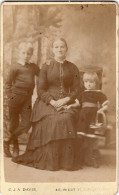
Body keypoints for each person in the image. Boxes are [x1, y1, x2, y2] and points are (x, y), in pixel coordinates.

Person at [12, 38, 82, 171]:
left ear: (66, 49)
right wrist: (53, 101)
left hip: (67, 101)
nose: (59, 49)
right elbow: (41, 89)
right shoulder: (46, 65)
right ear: (52, 49)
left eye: (62, 47)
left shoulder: (73, 67)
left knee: (66, 118)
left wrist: (66, 100)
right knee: (53, 120)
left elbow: (77, 89)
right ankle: (51, 161)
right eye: (56, 47)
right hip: (47, 102)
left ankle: (65, 162)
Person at [4, 42, 40, 158]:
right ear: (19, 53)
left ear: (31, 55)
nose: (26, 55)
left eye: (28, 53)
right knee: (14, 124)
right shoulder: (15, 67)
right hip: (15, 97)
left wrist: (48, 65)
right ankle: (15, 147)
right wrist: (10, 96)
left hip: (27, 99)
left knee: (26, 124)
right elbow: (8, 84)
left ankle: (7, 140)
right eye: (23, 53)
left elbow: (43, 75)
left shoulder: (33, 67)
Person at [68, 72, 108, 167]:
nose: (88, 84)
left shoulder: (99, 93)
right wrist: (70, 105)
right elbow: (78, 104)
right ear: (84, 83)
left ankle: (91, 158)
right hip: (83, 117)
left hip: (93, 117)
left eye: (91, 82)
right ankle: (80, 158)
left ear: (96, 83)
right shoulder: (83, 94)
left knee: (91, 138)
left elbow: (105, 104)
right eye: (86, 82)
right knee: (81, 136)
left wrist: (102, 109)